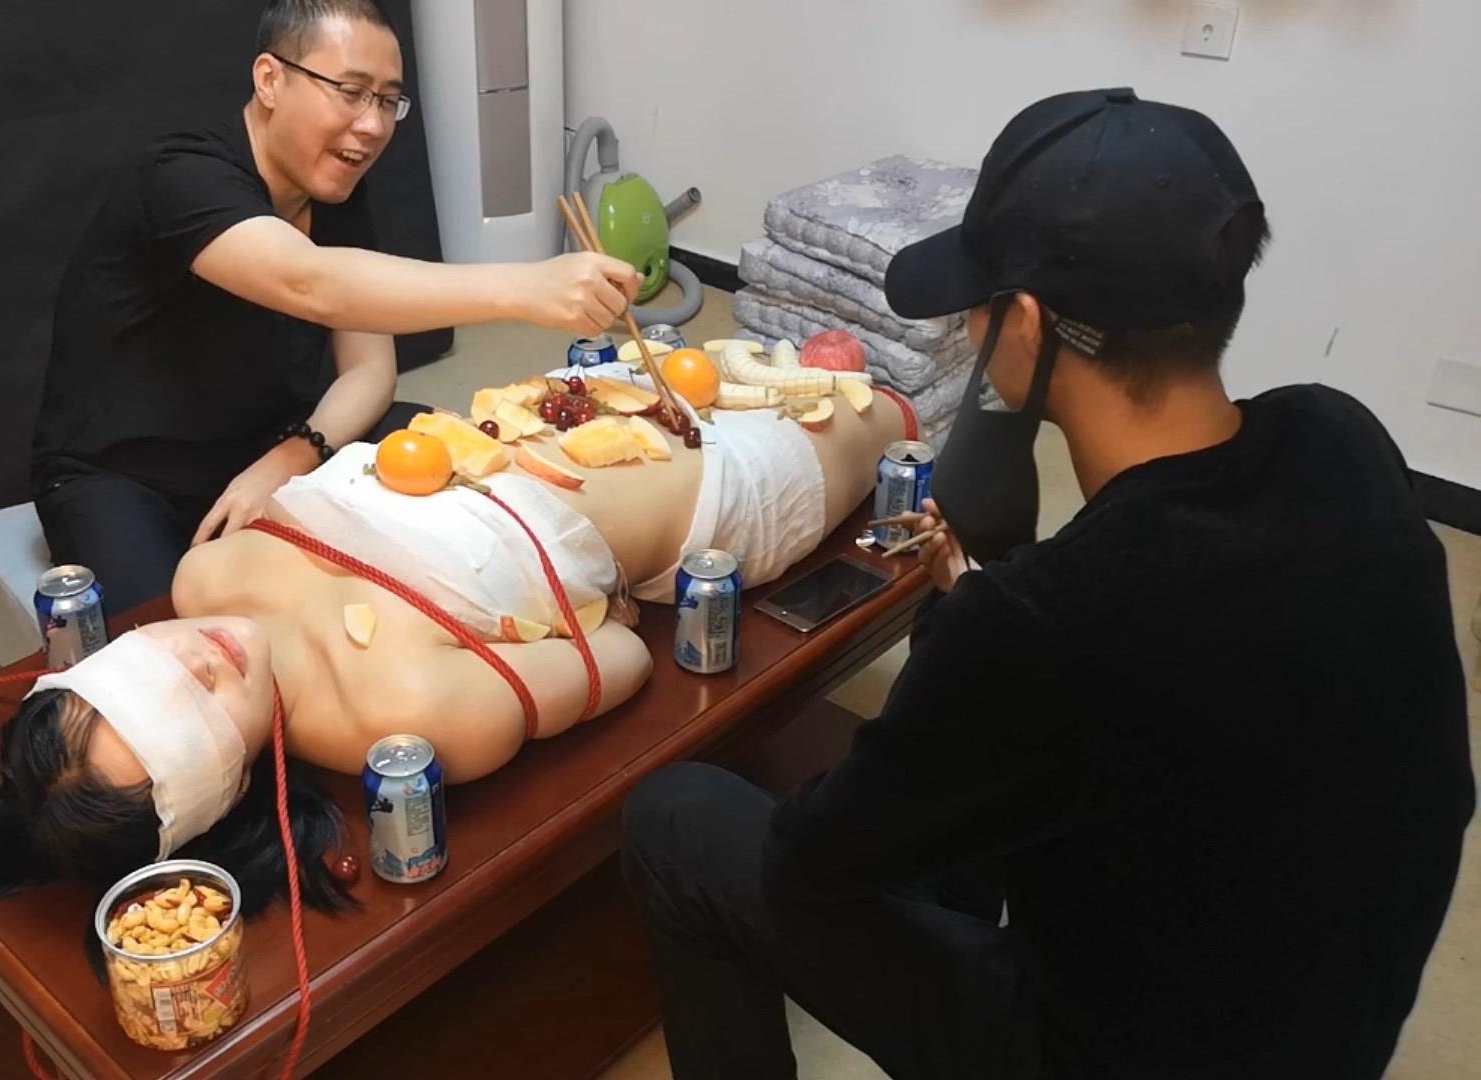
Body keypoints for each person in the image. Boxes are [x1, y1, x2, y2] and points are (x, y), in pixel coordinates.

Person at [620, 88, 1474, 1080]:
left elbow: (812, 860)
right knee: (980, 748)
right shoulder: (1343, 441)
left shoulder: (1047, 624)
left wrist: (974, 628)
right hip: (1329, 1018)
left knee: (675, 817)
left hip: (1104, 1052)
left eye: (979, 302)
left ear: (1025, 324)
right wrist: (980, 600)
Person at [0, 367, 916, 922]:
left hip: (579, 398)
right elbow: (624, 661)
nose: (192, 660)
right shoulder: (404, 714)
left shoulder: (202, 579)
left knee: (783, 356)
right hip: (717, 491)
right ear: (219, 786)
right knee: (884, 401)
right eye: (184, 718)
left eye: (142, 673)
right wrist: (593, 587)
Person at [31, 0, 641, 616]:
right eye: (351, 92)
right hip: (126, 473)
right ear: (270, 79)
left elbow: (370, 370)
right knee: (183, 645)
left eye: (388, 101)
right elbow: (308, 282)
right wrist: (525, 288)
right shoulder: (182, 176)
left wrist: (293, 455)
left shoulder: (333, 191)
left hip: (266, 441)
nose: (372, 125)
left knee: (463, 463)